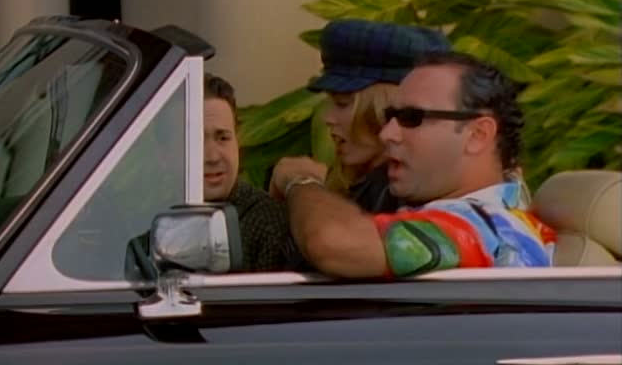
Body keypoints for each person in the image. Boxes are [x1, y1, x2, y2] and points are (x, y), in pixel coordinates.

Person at [271, 51, 555, 278]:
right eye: (391, 116)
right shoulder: (497, 212)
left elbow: (333, 243)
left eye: (412, 118)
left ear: (478, 135)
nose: (387, 134)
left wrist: (302, 181)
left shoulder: (486, 228)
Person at [305, 19, 451, 213]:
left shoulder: (397, 195)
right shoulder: (373, 183)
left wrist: (302, 184)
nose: (328, 118)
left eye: (342, 103)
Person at [202, 73, 288, 271]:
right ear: (164, 153)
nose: (212, 157)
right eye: (196, 140)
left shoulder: (266, 221)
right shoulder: (146, 216)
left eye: (223, 138)